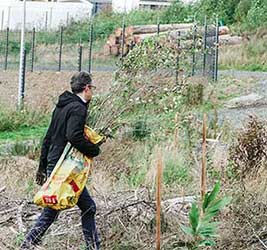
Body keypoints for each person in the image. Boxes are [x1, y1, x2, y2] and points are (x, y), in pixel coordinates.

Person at [21, 71, 102, 250]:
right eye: (92, 89)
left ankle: (27, 245)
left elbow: (48, 137)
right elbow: (74, 136)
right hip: (65, 168)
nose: (92, 93)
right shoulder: (78, 108)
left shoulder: (61, 106)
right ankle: (26, 245)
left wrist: (42, 166)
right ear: (87, 88)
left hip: (55, 162)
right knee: (68, 209)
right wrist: (94, 149)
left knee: (79, 207)